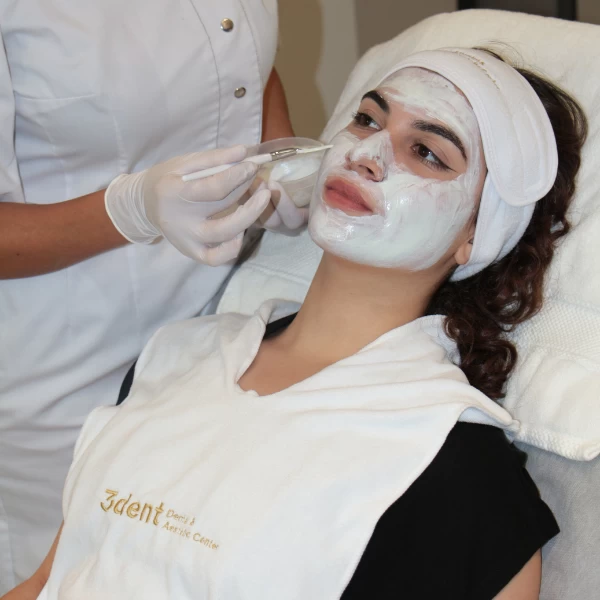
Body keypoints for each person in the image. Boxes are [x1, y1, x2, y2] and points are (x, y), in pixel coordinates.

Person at [3, 47, 587, 599]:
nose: (366, 153)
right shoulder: (177, 357)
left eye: (427, 152)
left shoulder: (456, 471)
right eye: (366, 119)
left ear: (478, 233)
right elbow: (47, 581)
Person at [0, 0, 306, 591]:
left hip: (225, 335)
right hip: (65, 375)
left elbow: (244, 63)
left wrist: (276, 154)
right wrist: (130, 210)